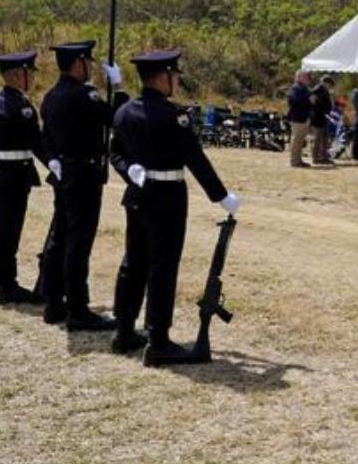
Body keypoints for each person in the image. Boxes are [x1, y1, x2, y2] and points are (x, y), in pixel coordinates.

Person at [109, 50, 242, 365]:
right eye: (175, 75)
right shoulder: (173, 116)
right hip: (166, 196)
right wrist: (220, 196)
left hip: (138, 196)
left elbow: (115, 152)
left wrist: (129, 171)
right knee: (162, 266)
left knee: (134, 262)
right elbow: (195, 159)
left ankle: (124, 330)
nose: (177, 81)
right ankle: (157, 340)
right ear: (162, 76)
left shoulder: (125, 112)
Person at [37, 40, 127, 330]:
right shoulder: (84, 95)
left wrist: (53, 159)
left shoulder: (50, 97)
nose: (90, 67)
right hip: (84, 176)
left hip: (63, 173)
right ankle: (77, 309)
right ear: (78, 63)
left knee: (58, 237)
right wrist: (120, 88)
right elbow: (119, 120)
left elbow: (45, 137)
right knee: (78, 242)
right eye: (88, 62)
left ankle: (53, 302)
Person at [0, 50, 54, 305]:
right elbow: (36, 142)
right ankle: (7, 285)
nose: (31, 78)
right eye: (29, 73)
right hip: (13, 175)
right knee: (7, 231)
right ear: (19, 75)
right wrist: (54, 164)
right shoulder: (23, 107)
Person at [286, 72, 312, 168]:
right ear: (299, 77)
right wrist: (308, 100)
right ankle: (294, 160)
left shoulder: (304, 89)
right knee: (296, 139)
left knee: (301, 140)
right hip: (297, 118)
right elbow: (294, 101)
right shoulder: (295, 88)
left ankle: (299, 159)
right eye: (305, 77)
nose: (307, 78)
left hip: (304, 117)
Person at [310, 76, 336, 165]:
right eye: (329, 84)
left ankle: (324, 156)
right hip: (317, 117)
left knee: (324, 139)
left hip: (324, 117)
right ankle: (316, 157)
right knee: (317, 139)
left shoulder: (325, 91)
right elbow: (315, 104)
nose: (329, 86)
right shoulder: (317, 90)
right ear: (325, 82)